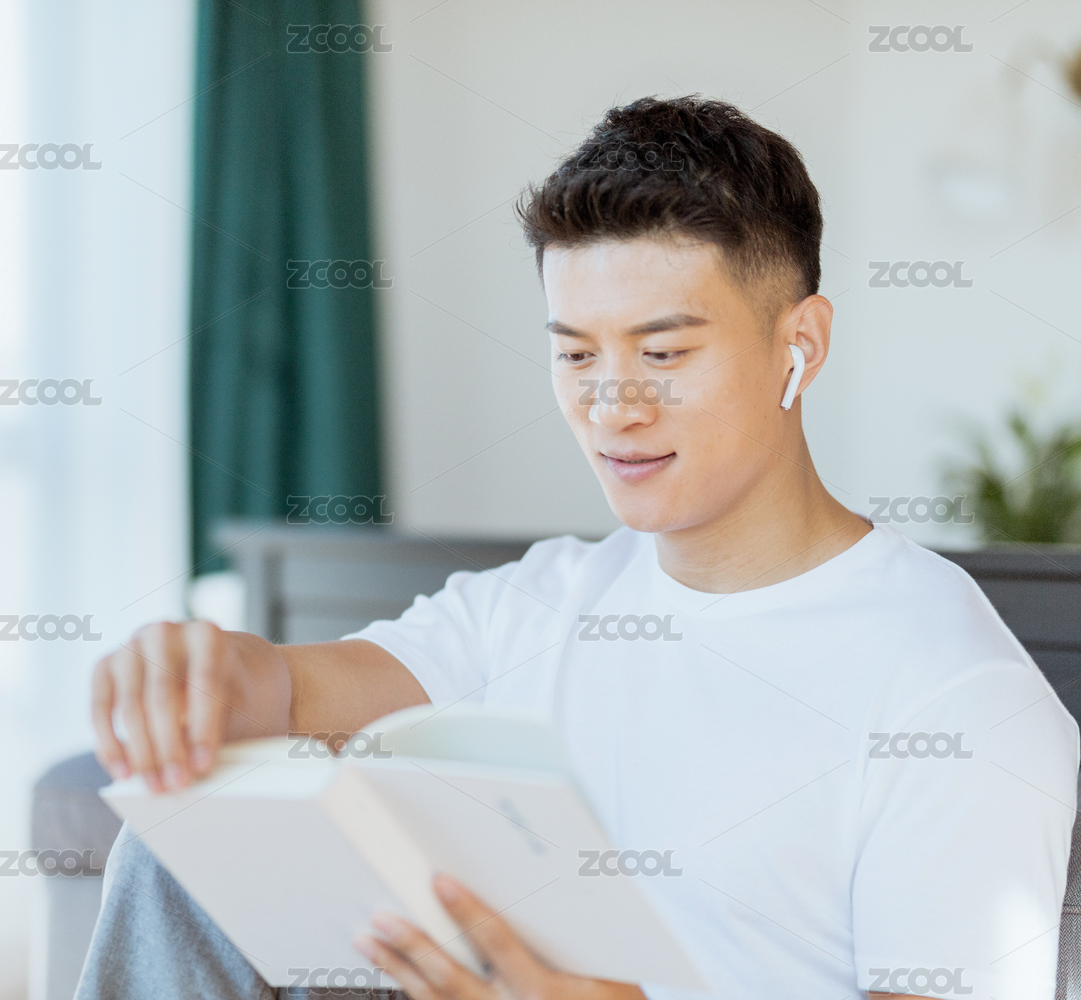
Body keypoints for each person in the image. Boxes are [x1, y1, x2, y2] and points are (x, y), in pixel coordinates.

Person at [78, 96, 1079, 1000]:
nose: (613, 405)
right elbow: (288, 696)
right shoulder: (540, 600)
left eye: (663, 352)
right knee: (182, 837)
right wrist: (204, 674)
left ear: (801, 345)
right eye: (575, 353)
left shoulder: (956, 699)